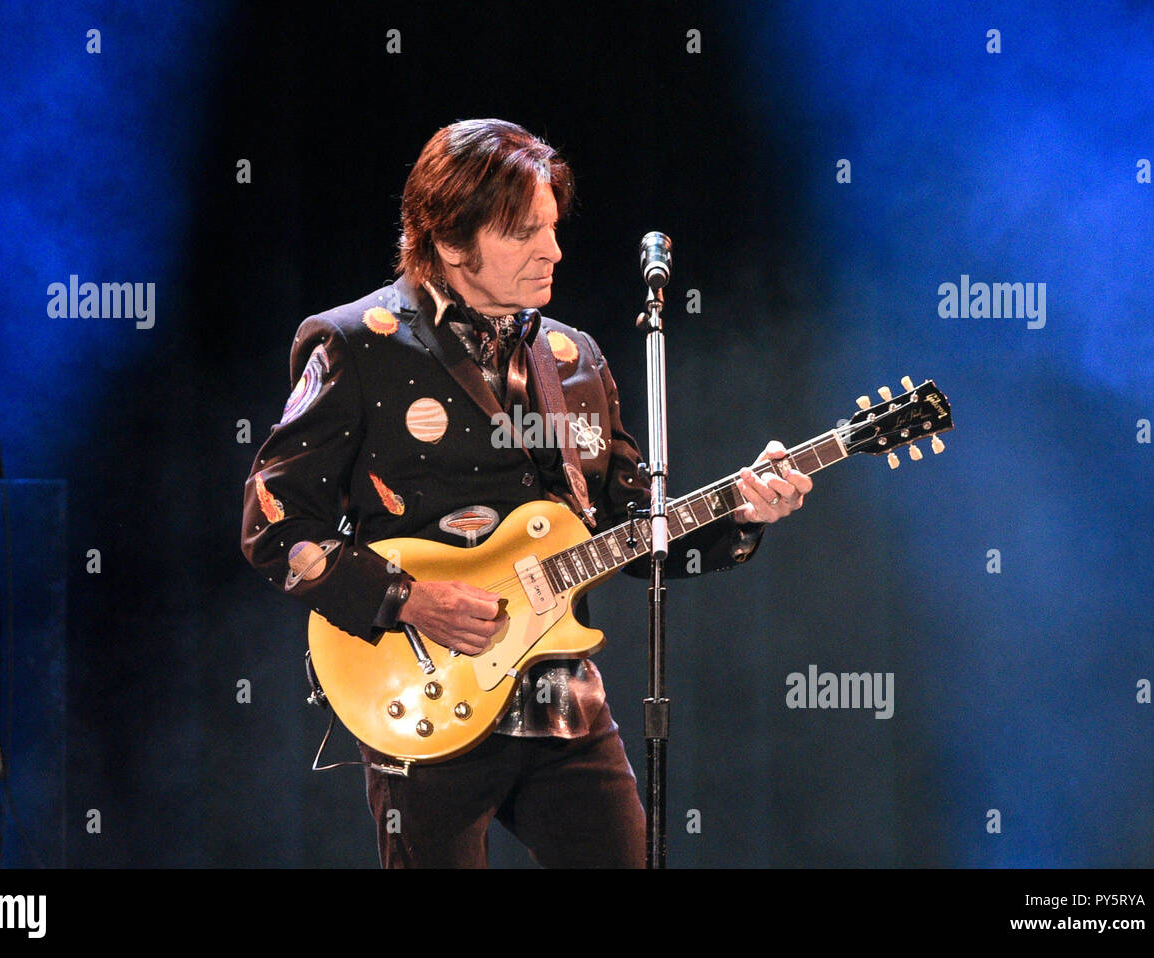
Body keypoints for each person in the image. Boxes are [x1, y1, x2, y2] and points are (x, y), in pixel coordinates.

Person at [240, 118, 812, 868]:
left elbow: (635, 531)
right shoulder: (357, 345)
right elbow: (274, 527)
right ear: (449, 240)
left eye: (551, 227)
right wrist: (408, 599)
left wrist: (740, 512)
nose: (554, 250)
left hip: (560, 703)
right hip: (424, 702)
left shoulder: (574, 359)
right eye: (524, 233)